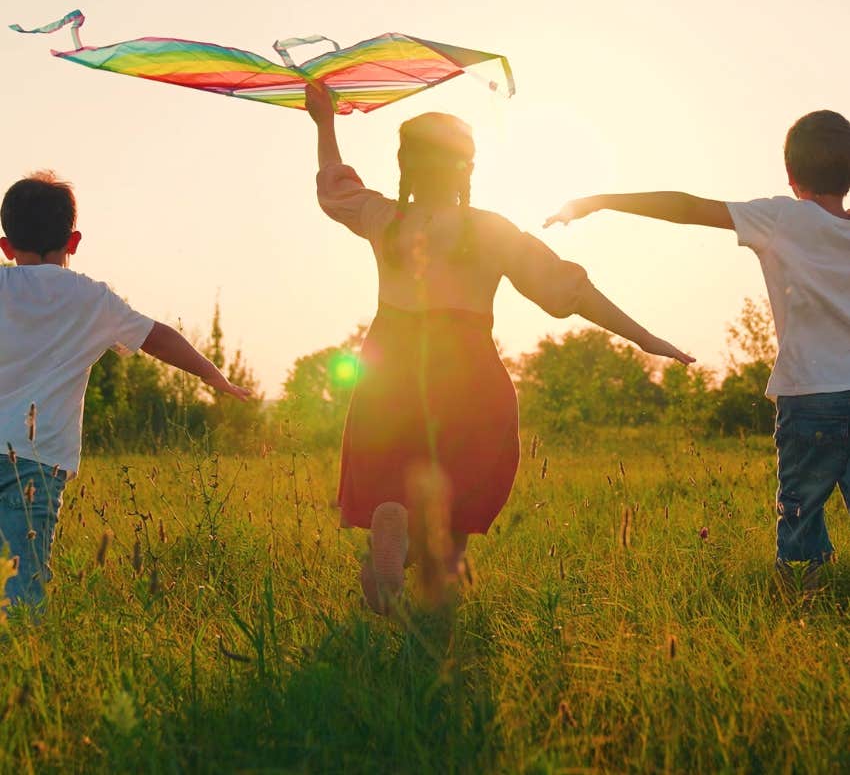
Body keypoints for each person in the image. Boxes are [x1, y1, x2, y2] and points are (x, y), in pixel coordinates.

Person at [307, 83, 693, 614]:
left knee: (390, 467)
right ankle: (436, 585)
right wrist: (644, 337)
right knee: (456, 502)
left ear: (406, 166)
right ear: (467, 168)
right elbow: (570, 290)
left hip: (391, 363)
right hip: (466, 370)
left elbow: (335, 186)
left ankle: (391, 522)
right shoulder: (490, 230)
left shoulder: (384, 219)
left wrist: (324, 123)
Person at [545, 109, 850, 584]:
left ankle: (803, 606)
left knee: (801, 520)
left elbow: (687, 207)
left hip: (810, 397)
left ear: (791, 176)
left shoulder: (781, 218)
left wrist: (599, 200)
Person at [0, 171, 251, 609]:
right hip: (37, 463)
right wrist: (213, 374)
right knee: (25, 578)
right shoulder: (93, 300)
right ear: (74, 241)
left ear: (5, 245)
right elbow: (158, 338)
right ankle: (21, 651)